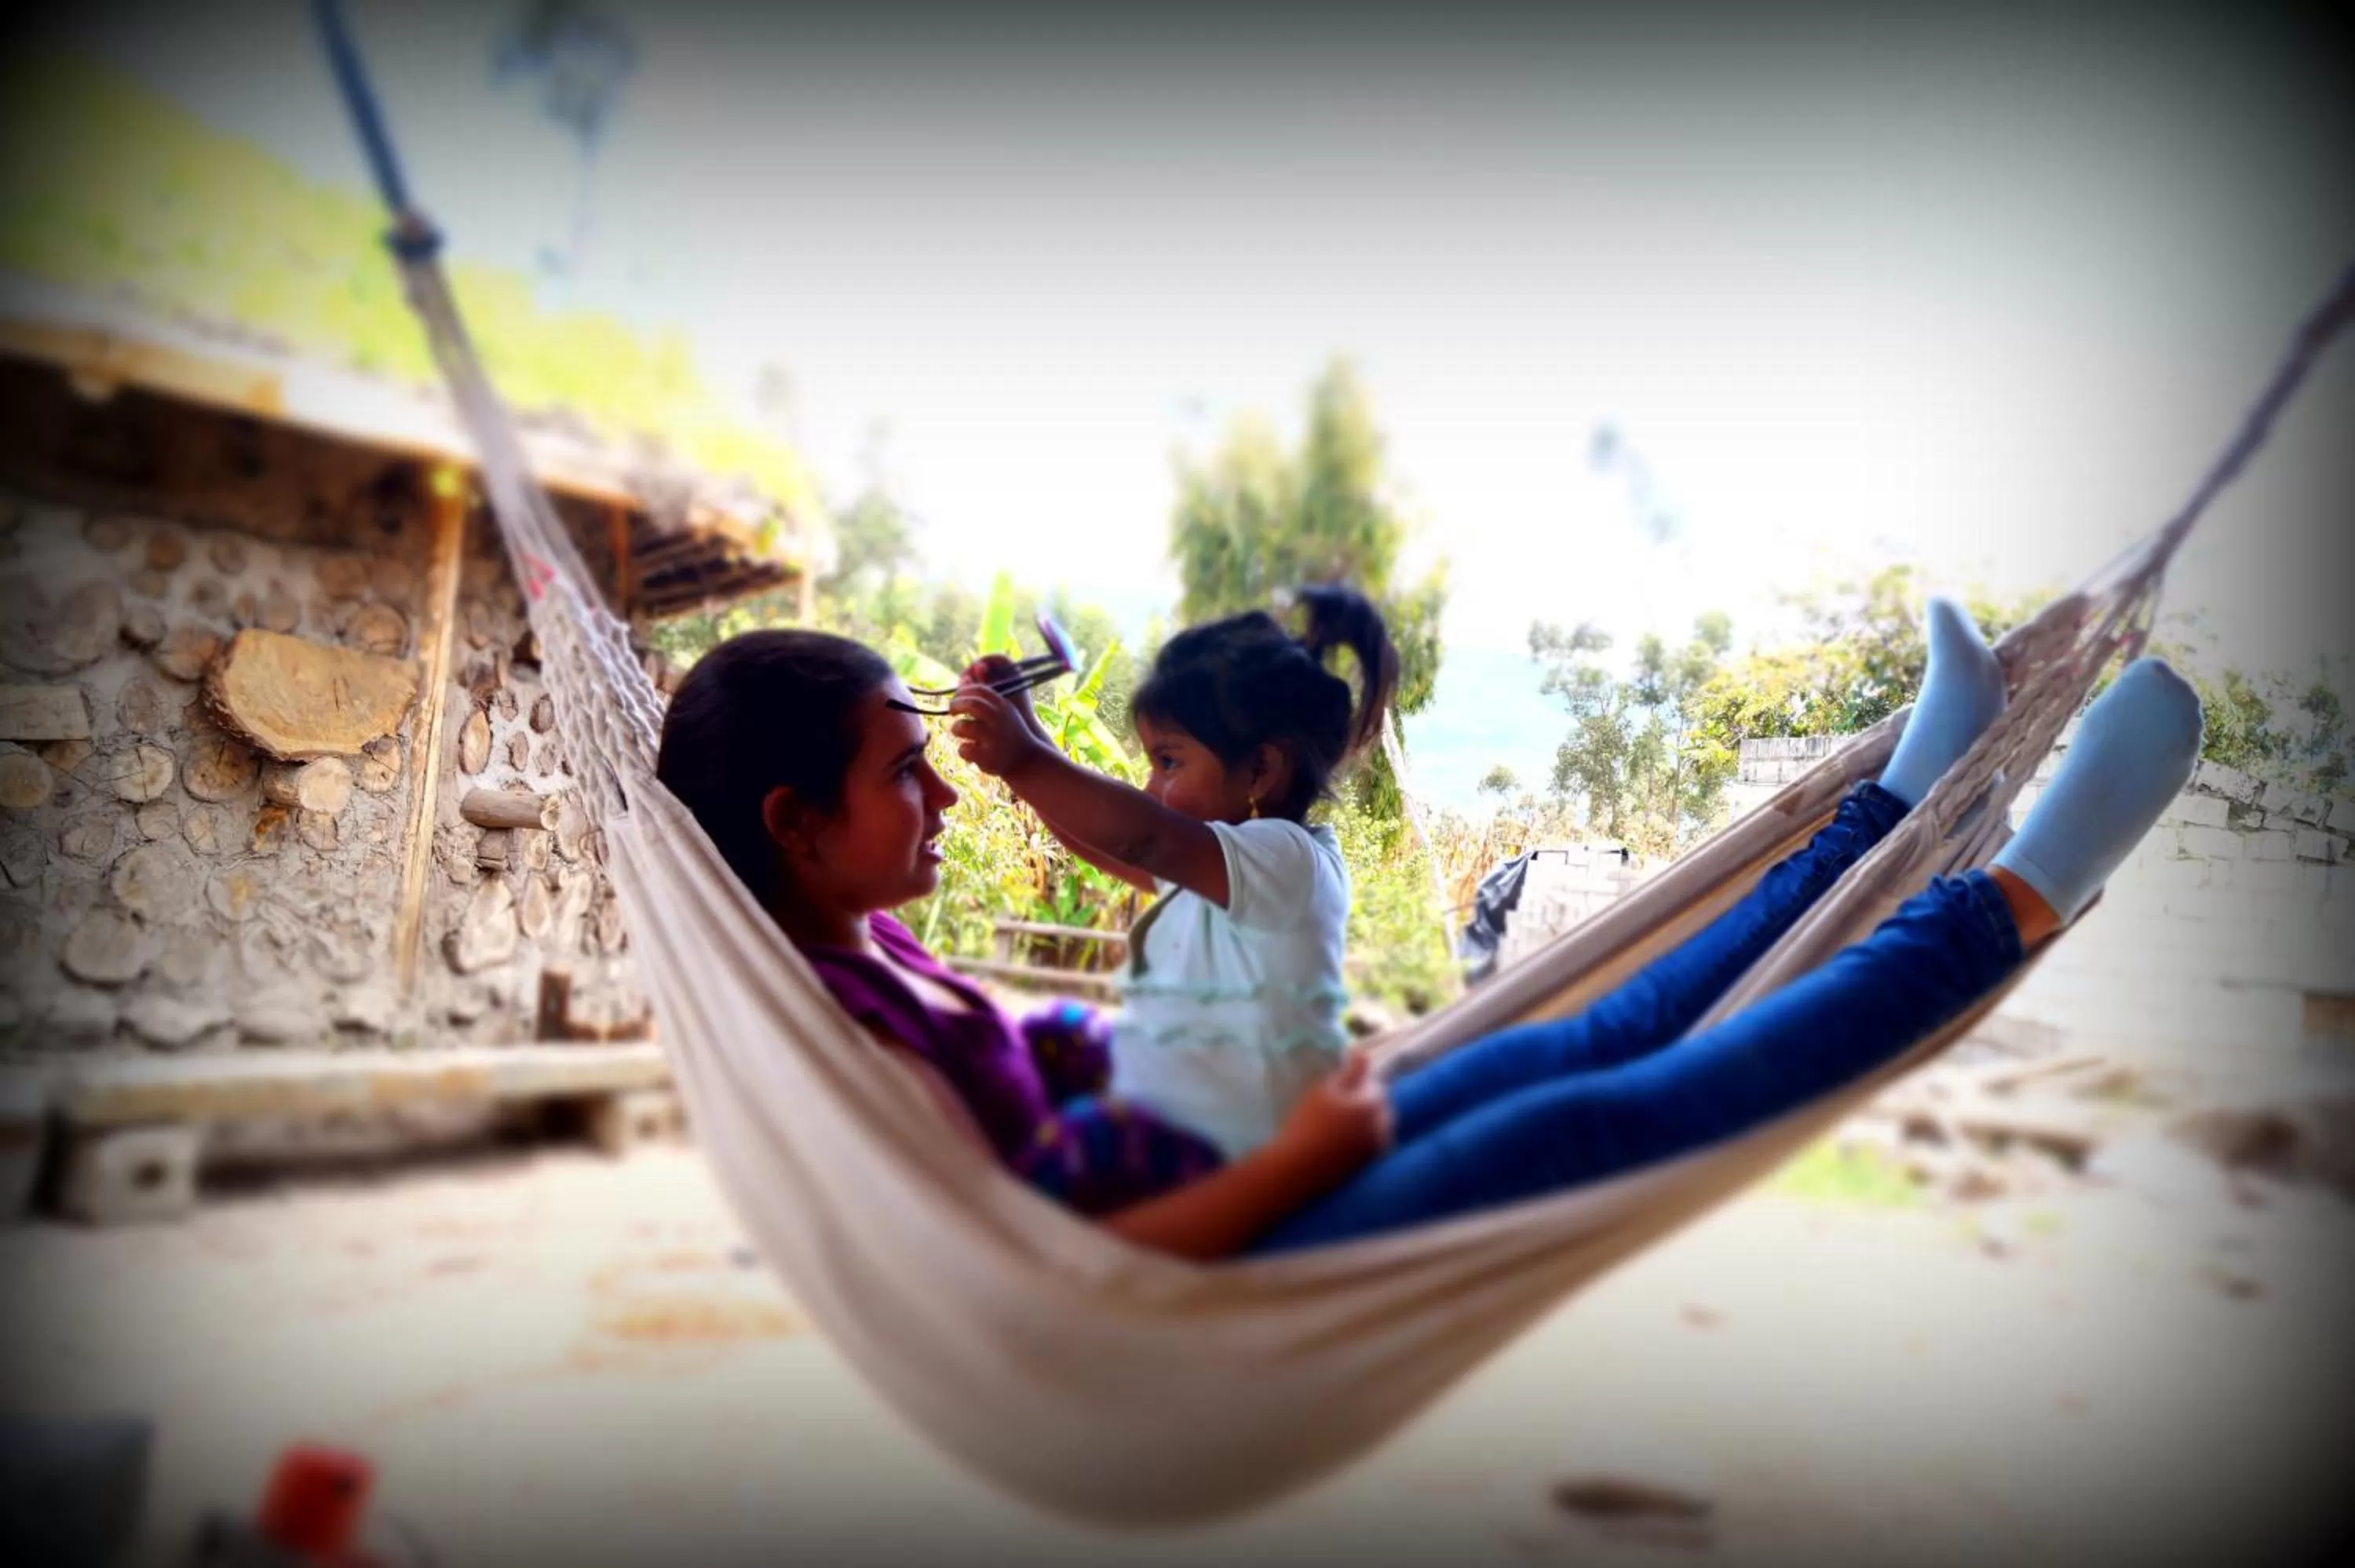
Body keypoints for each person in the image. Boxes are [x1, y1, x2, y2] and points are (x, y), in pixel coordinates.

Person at [654, 600, 2203, 1261]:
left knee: (1594, 1035)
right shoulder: (832, 1035)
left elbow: (1131, 870)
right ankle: (2017, 894)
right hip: (1226, 1258)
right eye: (900, 771)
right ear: (792, 823)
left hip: (1244, 1152)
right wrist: (1295, 1151)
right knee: (1602, 1113)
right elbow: (1038, 1269)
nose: (937, 792)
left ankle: (1900, 801)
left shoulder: (866, 950)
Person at [947, 583, 1399, 1161]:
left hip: (1227, 1146)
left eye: (1168, 761)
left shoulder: (1286, 861)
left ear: (1259, 770)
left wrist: (1024, 757)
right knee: (1046, 1032)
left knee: (1063, 1145)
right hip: (1169, 1101)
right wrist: (1022, 728)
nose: (1150, 786)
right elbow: (1107, 846)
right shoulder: (1213, 864)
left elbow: (1137, 838)